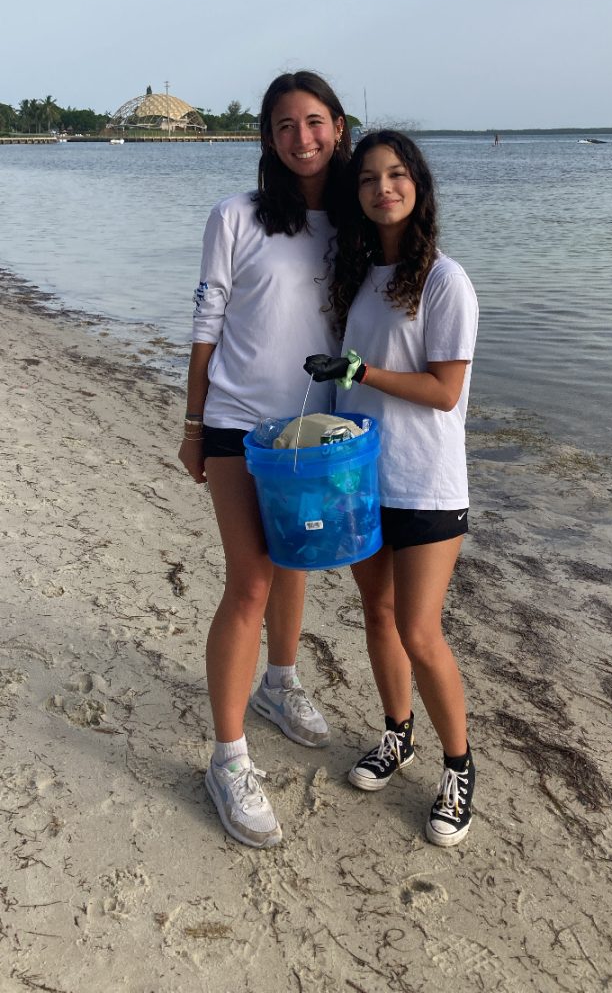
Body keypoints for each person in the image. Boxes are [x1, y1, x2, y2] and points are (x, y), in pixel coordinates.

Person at [179, 71, 350, 849]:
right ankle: (227, 757)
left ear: (338, 128)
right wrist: (191, 422)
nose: (301, 138)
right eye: (284, 126)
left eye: (313, 122)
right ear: (267, 139)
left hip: (313, 429)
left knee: (297, 560)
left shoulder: (354, 222)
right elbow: (206, 323)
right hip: (236, 424)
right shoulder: (236, 216)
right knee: (248, 579)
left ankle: (279, 685)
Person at [305, 130, 478, 847]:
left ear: (418, 185)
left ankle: (459, 767)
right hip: (359, 477)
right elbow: (343, 388)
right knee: (376, 616)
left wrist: (360, 373)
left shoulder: (443, 280)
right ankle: (396, 733)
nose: (384, 188)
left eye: (397, 174)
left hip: (427, 483)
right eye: (370, 178)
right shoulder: (354, 276)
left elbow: (443, 391)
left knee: (417, 629)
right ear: (357, 194)